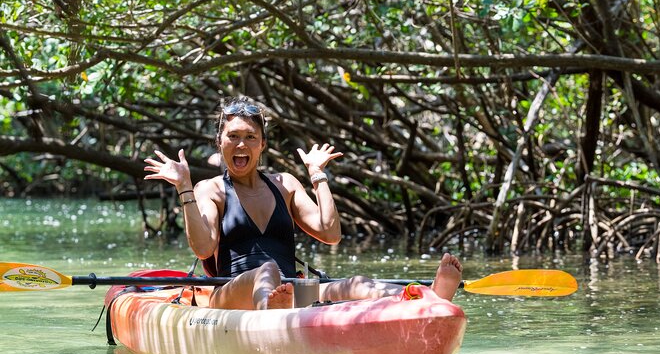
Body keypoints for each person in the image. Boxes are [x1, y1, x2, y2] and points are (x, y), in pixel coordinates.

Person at [144, 96, 462, 309]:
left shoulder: (285, 184)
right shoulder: (209, 189)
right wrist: (184, 186)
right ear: (220, 142)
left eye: (250, 137)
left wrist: (318, 175)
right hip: (230, 293)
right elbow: (203, 248)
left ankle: (428, 297)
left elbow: (330, 232)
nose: (241, 144)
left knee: (357, 283)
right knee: (266, 272)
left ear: (262, 144)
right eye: (233, 136)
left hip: (288, 289)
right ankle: (273, 311)